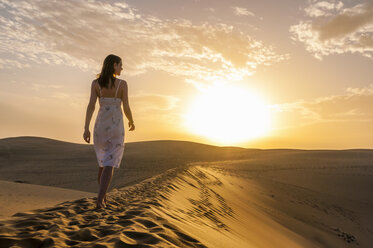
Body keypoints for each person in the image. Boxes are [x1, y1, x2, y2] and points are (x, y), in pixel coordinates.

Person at [83, 54, 135, 209]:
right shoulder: (122, 84)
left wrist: (86, 128)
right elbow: (126, 106)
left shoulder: (96, 84)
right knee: (109, 164)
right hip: (115, 128)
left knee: (102, 164)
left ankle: (102, 198)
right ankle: (100, 201)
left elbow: (91, 106)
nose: (122, 68)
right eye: (120, 65)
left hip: (100, 127)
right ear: (113, 65)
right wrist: (131, 120)